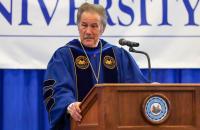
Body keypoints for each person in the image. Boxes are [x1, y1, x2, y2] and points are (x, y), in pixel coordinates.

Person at [43, 2, 149, 130]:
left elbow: (135, 86)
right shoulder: (64, 55)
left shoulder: (117, 55)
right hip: (77, 125)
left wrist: (150, 90)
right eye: (84, 25)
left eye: (94, 26)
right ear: (78, 26)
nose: (88, 31)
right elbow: (57, 89)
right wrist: (69, 104)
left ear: (102, 29)